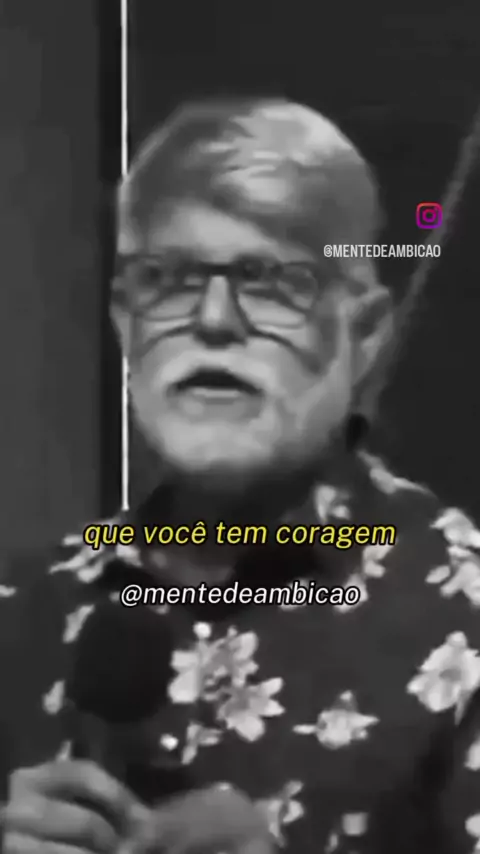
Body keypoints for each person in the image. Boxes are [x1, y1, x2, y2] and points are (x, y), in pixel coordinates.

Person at [2, 98, 480, 854]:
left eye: (269, 281)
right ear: (125, 320)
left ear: (363, 334)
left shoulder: (462, 615)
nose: (213, 319)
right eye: (169, 279)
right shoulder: (22, 615)